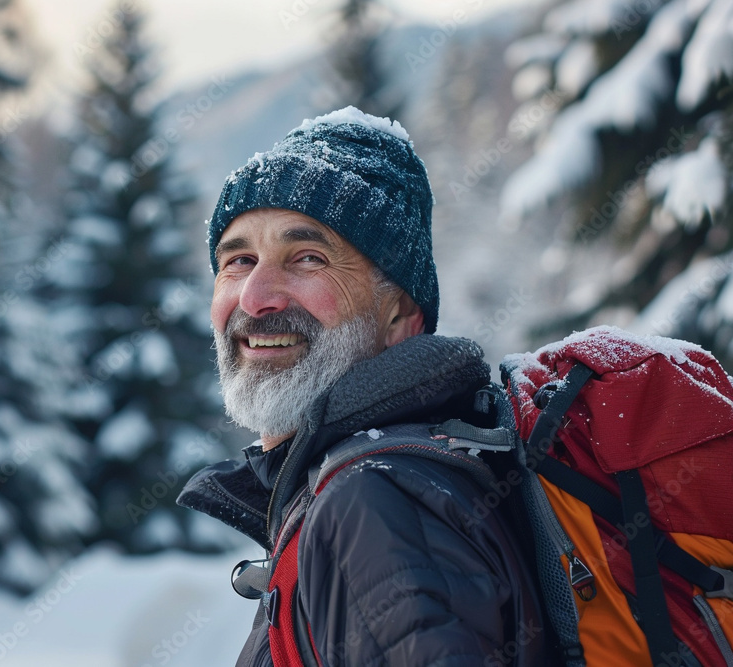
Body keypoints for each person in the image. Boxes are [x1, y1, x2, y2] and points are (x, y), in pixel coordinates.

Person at [177, 107, 550, 666]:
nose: (256, 298)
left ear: (400, 312)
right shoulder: (399, 476)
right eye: (238, 260)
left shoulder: (373, 503)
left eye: (308, 258)